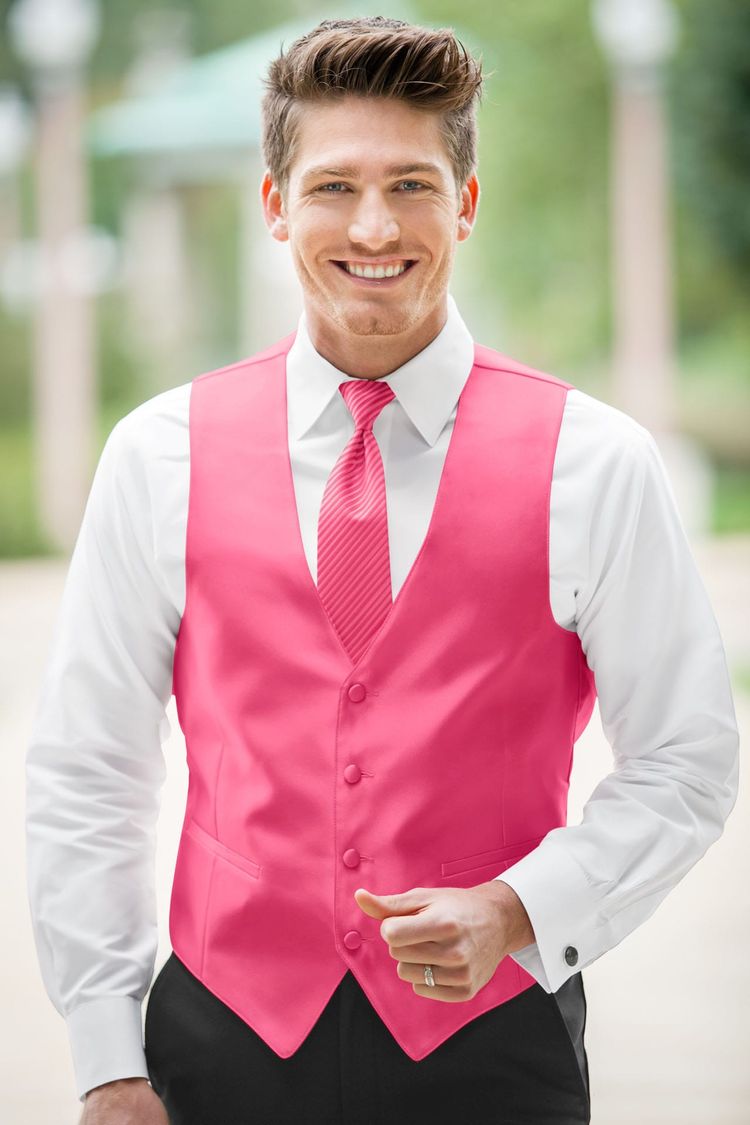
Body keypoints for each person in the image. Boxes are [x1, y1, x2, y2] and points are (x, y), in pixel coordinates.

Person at [25, 15, 739, 1125]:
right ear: (276, 204)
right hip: (219, 1042)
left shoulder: (593, 462)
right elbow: (89, 768)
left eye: (411, 185)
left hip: (495, 1049)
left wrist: (519, 908)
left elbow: (687, 758)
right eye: (333, 187)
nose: (374, 226)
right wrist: (108, 1058)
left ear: (466, 202)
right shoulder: (158, 455)